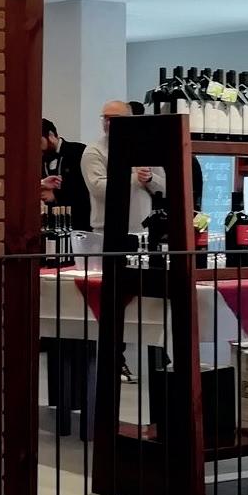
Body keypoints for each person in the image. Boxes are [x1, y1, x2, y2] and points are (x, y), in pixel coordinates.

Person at [81, 100, 166, 382]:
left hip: (143, 235)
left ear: (130, 119)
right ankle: (115, 360)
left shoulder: (147, 147)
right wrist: (133, 178)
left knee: (148, 297)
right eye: (105, 118)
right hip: (108, 234)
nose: (108, 123)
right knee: (113, 300)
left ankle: (159, 357)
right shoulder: (94, 151)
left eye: (114, 118)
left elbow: (165, 186)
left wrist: (150, 178)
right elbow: (98, 188)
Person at [39, 118, 91, 232]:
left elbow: (86, 187)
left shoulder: (79, 151)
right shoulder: (39, 158)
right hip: (52, 224)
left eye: (38, 141)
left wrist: (56, 195)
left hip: (79, 223)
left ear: (50, 135)